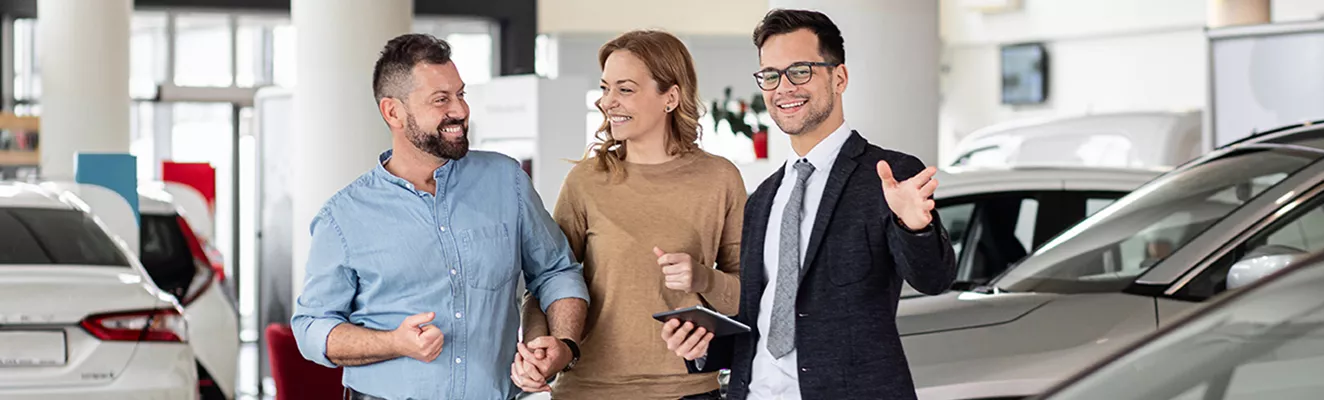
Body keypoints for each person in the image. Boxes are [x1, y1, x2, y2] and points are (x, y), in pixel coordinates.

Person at [660, 9, 959, 399]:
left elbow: (934, 280)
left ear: (839, 78)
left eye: (800, 71)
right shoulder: (764, 198)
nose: (783, 87)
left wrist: (914, 227)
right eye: (771, 75)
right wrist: (703, 344)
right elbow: (762, 321)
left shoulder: (888, 174)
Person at [290, 33, 590, 400]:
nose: (460, 111)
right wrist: (393, 343)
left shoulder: (506, 181)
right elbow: (312, 327)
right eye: (441, 100)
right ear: (393, 112)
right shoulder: (343, 216)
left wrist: (562, 344)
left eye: (461, 94)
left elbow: (556, 271)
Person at [511, 30, 745, 400]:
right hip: (589, 390)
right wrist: (541, 346)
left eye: (626, 89)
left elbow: (747, 296)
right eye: (605, 88)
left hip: (687, 391)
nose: (608, 102)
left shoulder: (720, 178)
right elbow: (546, 282)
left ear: (670, 97)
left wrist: (703, 277)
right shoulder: (586, 180)